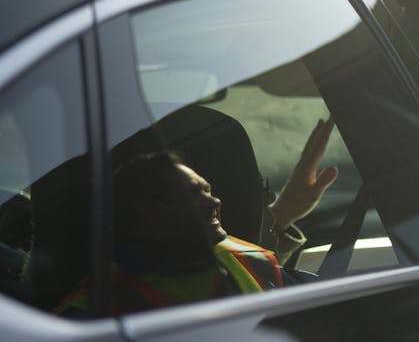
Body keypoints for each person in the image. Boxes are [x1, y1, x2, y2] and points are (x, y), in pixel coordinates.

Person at [56, 122, 338, 315]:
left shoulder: (253, 262)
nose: (214, 201)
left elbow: (327, 312)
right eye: (192, 194)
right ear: (145, 210)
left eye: (208, 190)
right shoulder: (91, 310)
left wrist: (283, 213)